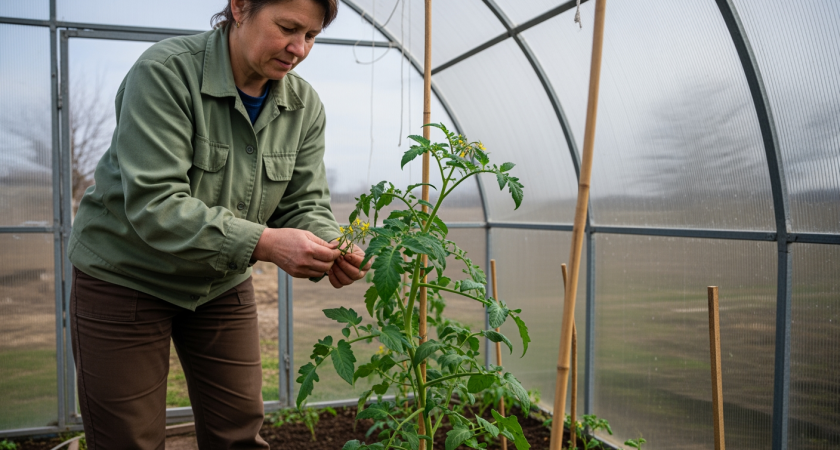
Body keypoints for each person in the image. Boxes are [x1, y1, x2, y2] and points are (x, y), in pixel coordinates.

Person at [67, 0, 368, 447]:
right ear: (241, 7)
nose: (299, 48)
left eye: (311, 36)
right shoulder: (166, 74)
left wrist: (329, 242)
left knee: (238, 431)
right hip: (124, 275)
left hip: (218, 284)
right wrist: (265, 242)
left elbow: (304, 202)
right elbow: (156, 205)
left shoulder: (303, 106)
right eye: (287, 28)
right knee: (129, 439)